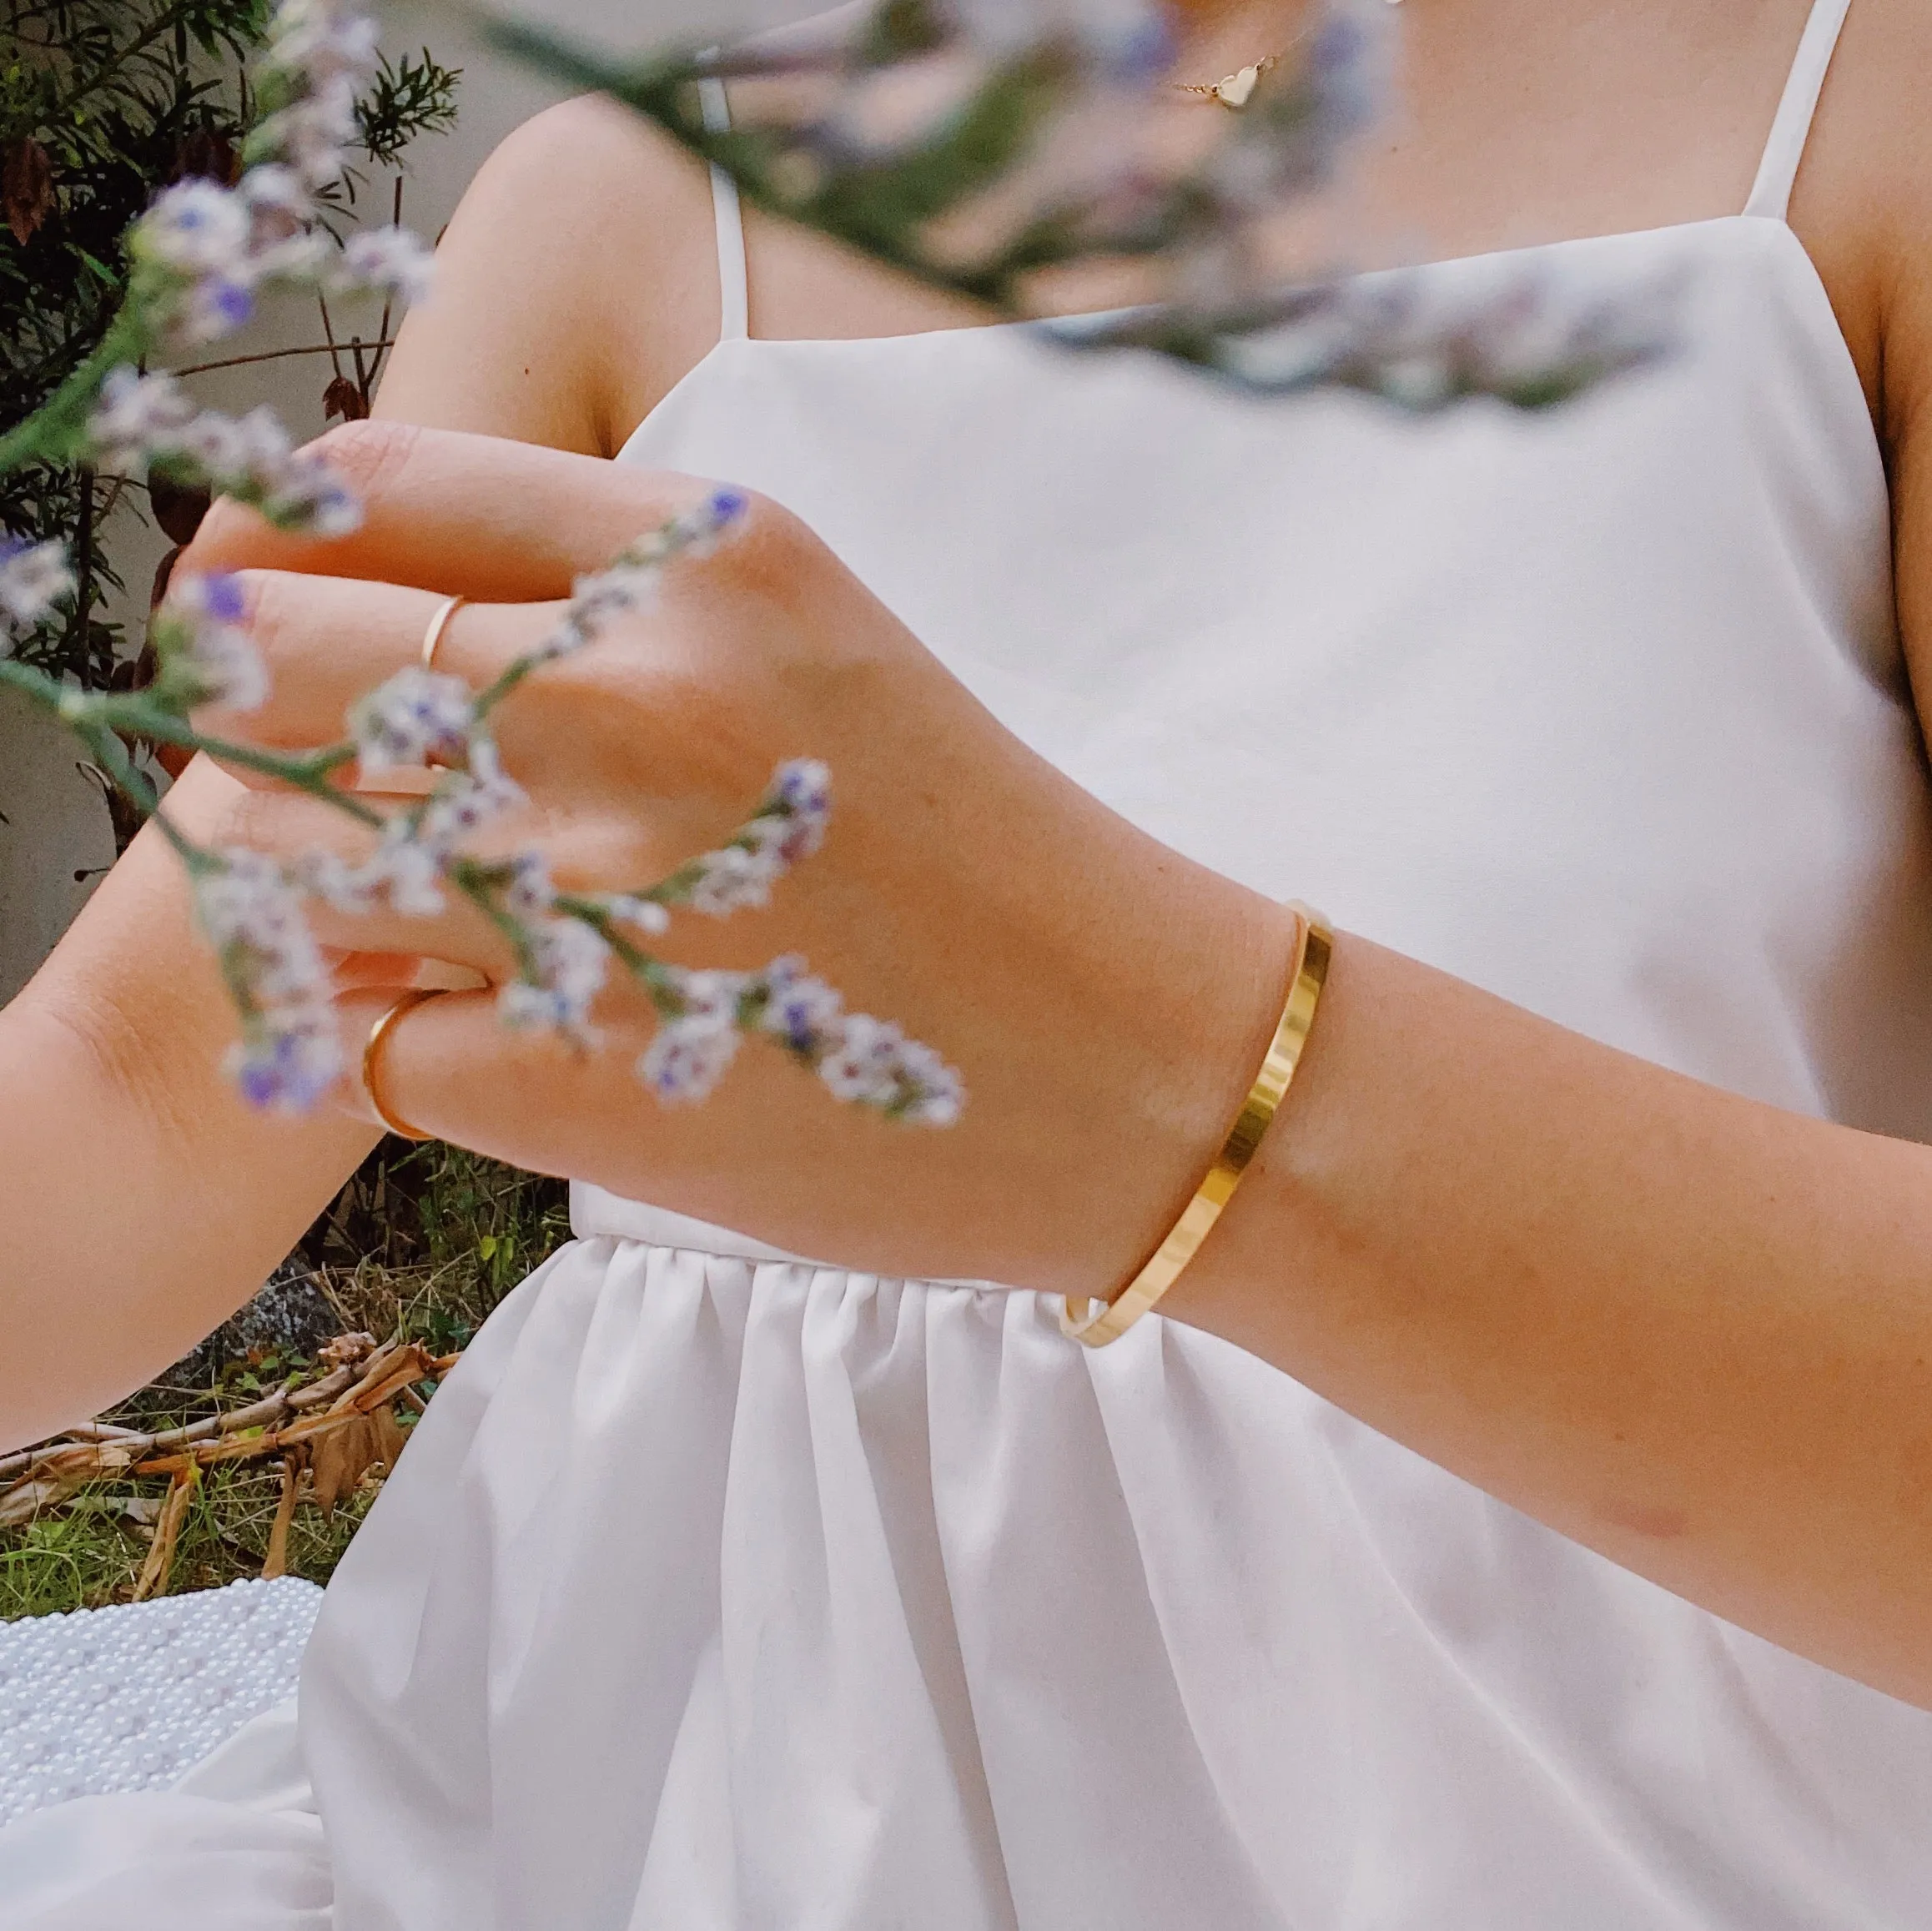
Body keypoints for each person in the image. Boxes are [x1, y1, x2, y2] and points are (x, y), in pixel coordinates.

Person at [4, 0, 1932, 1922]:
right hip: (621, 1845)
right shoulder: (617, 210)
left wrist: (1181, 1086)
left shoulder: (1867, 118)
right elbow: (145, 1073)